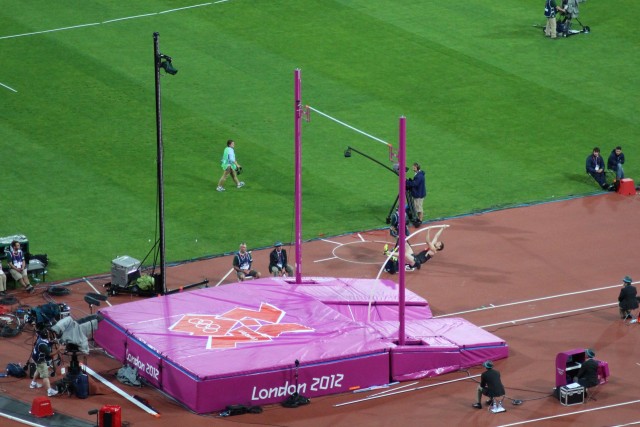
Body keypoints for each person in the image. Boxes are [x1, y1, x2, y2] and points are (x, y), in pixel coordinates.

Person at [30, 330, 59, 397]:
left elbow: (47, 342)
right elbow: (50, 354)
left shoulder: (40, 338)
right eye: (48, 334)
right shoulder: (42, 345)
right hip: (40, 361)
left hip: (35, 358)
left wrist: (52, 342)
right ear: (47, 336)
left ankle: (33, 383)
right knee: (45, 376)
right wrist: (59, 349)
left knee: (38, 370)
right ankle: (49, 391)